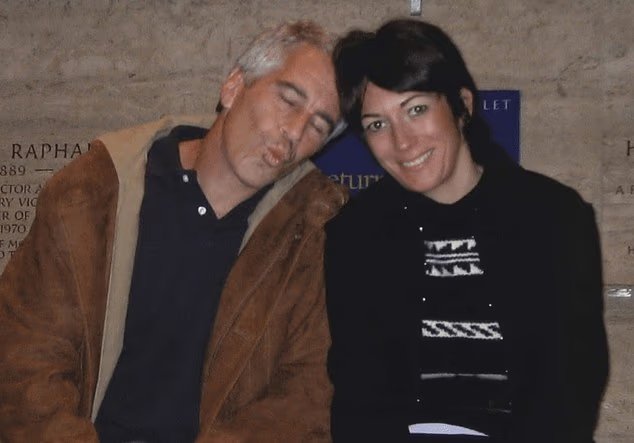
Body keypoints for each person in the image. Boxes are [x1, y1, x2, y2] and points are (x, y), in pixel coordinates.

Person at [0, 21, 347, 442]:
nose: (295, 132)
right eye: (289, 100)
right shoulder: (92, 194)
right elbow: (25, 360)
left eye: (318, 126)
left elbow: (307, 398)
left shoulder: (313, 234)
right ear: (234, 86)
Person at [325, 19, 608, 442]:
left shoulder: (555, 218)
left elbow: (572, 385)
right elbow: (356, 395)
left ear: (462, 105)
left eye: (416, 109)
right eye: (377, 125)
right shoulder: (355, 235)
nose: (402, 142)